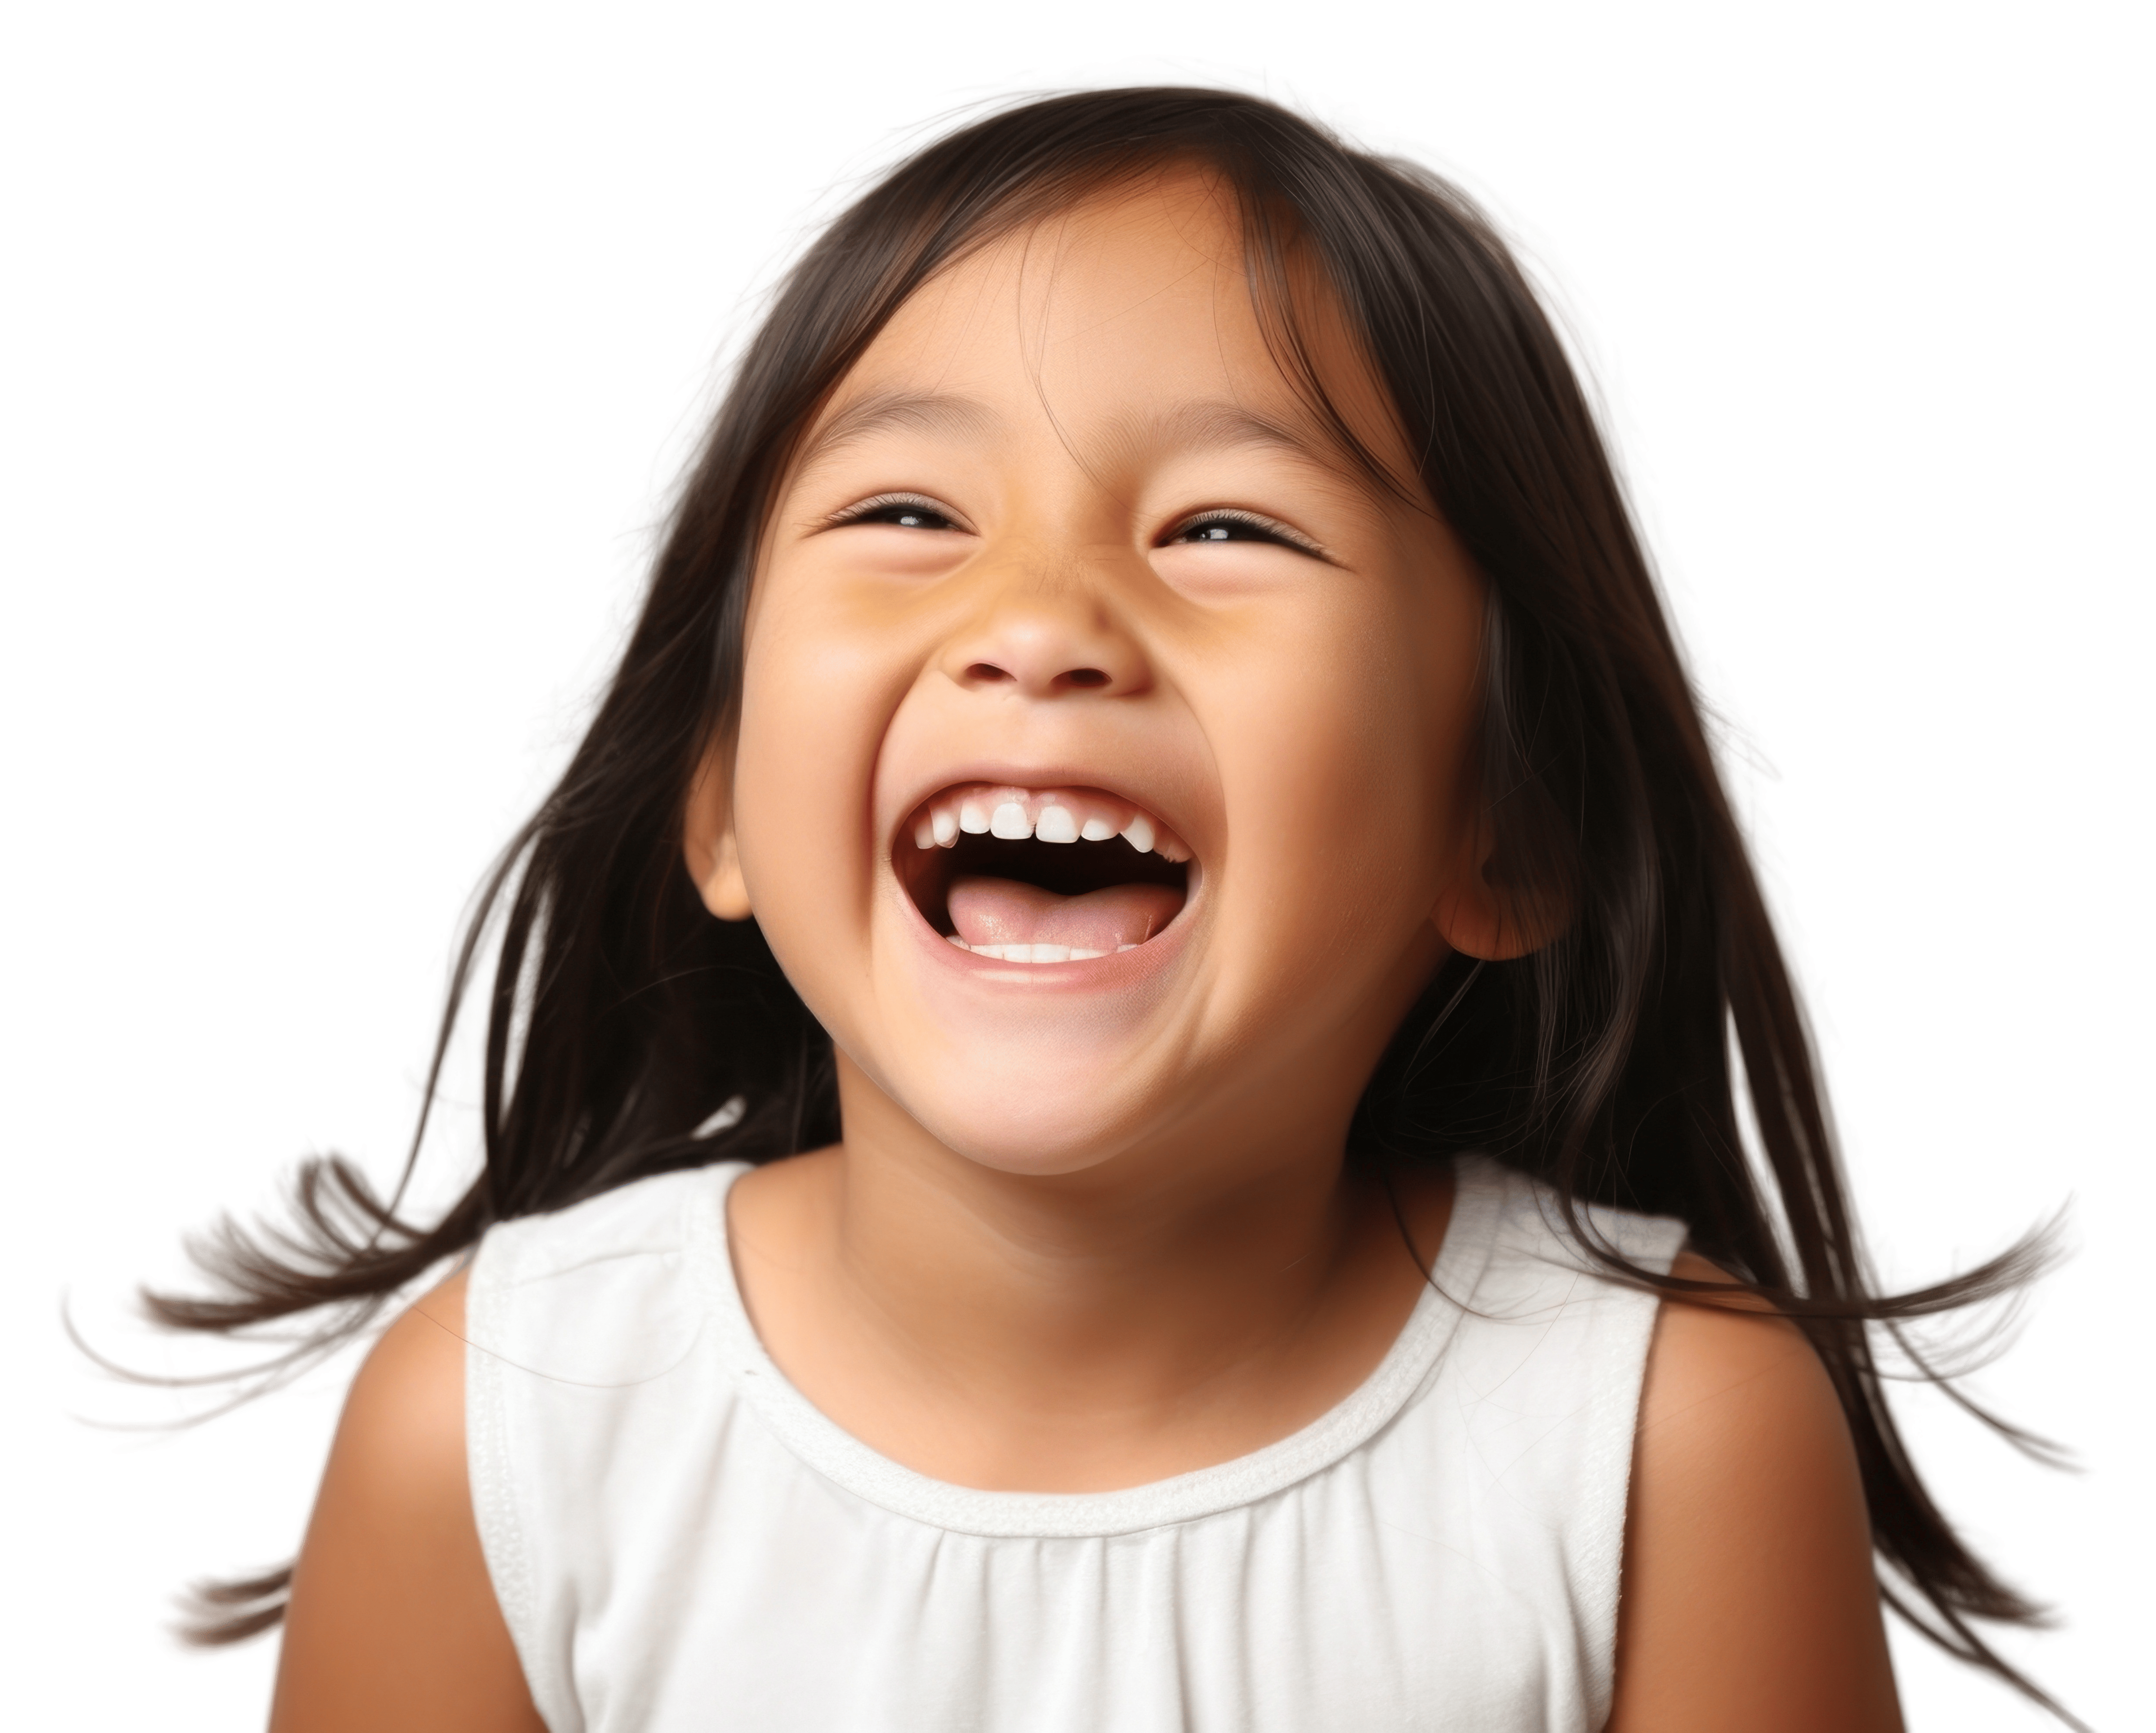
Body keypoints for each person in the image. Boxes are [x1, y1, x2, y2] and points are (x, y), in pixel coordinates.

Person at [59, 56, 2094, 1733]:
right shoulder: (503, 1415)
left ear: (1507, 830)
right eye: (907, 513)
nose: (1038, 623)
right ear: (721, 807)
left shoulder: (1662, 1433)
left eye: (1226, 524)